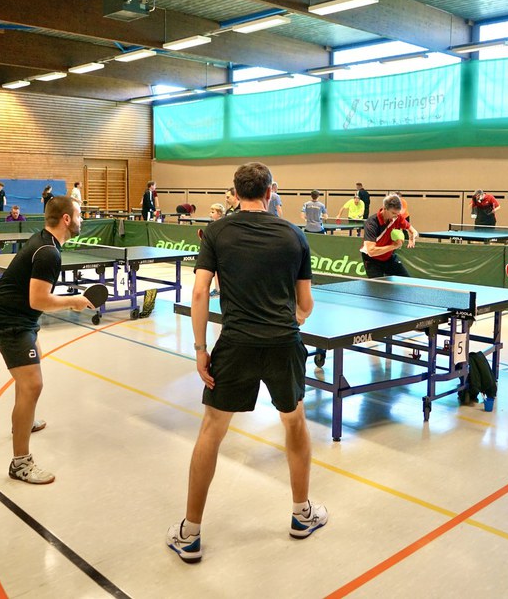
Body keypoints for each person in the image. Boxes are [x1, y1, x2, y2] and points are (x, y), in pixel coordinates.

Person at [166, 162, 325, 563]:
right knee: (294, 422)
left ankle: (190, 533)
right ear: (270, 192)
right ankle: (301, 514)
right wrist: (291, 319)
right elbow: (306, 304)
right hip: (283, 344)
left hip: (235, 344)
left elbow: (199, 294)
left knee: (211, 430)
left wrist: (200, 349)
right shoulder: (294, 235)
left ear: (234, 194)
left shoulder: (217, 232)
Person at [0, 196, 97, 485]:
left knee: (29, 378)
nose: (82, 220)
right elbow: (38, 300)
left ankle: (24, 422)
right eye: (79, 215)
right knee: (32, 384)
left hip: (20, 319)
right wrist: (74, 301)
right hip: (9, 323)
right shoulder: (48, 253)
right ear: (67, 219)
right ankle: (20, 463)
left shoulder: (45, 241)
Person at [361, 193, 419, 277]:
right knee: (377, 284)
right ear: (385, 208)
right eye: (393, 213)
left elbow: (413, 230)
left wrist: (412, 236)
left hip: (388, 257)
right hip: (372, 260)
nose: (396, 216)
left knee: (407, 281)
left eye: (398, 213)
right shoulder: (371, 224)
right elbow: (371, 251)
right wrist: (394, 246)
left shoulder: (397, 217)